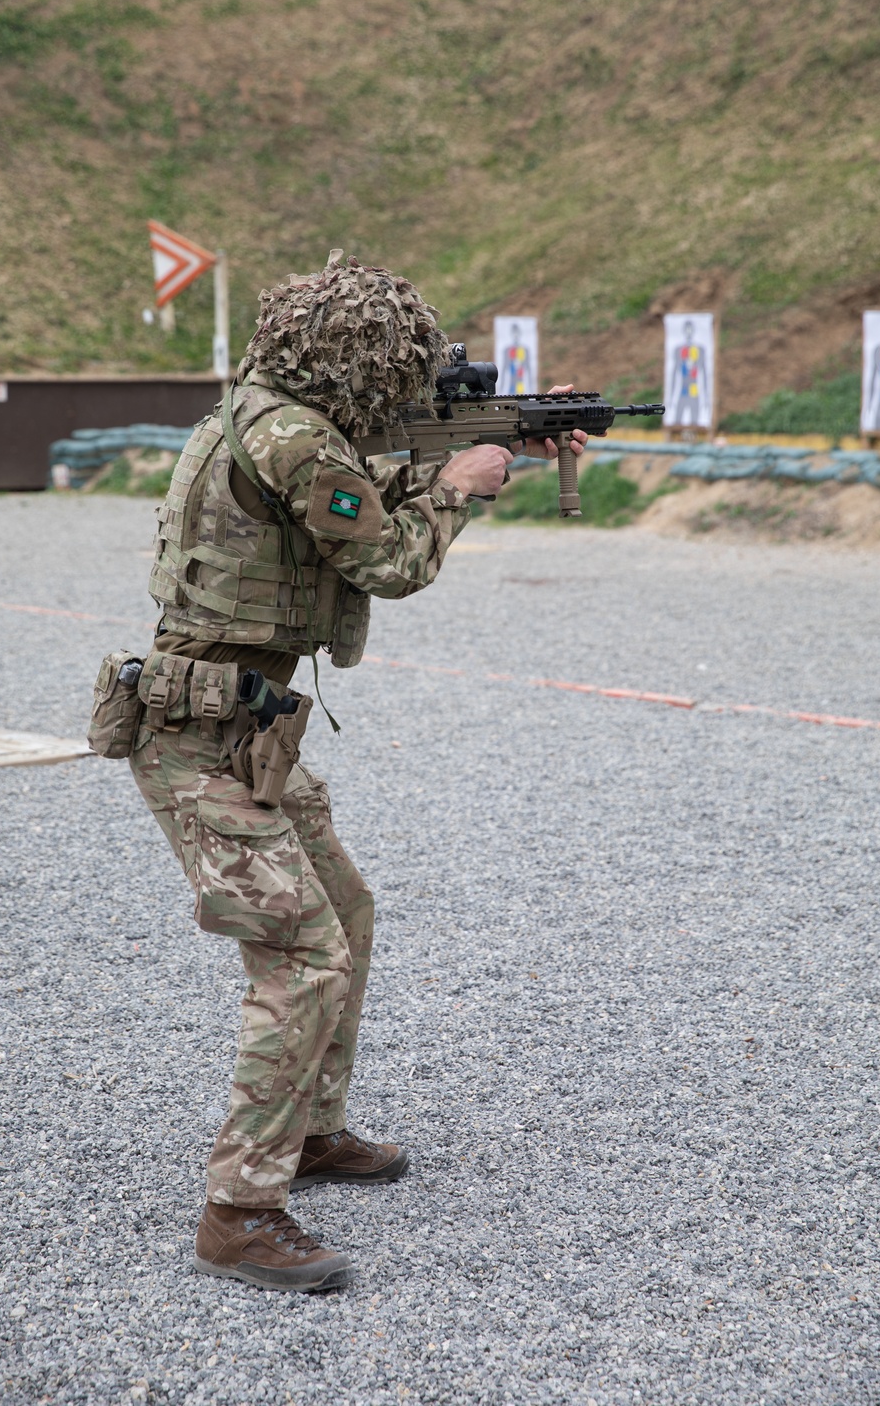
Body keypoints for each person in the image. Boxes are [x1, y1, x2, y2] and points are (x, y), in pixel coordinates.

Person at [130, 250, 586, 1293]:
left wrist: (489, 435)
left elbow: (367, 478)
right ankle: (239, 1211)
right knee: (302, 956)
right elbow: (389, 559)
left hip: (246, 722)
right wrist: (463, 489)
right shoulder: (296, 441)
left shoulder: (269, 410)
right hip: (198, 731)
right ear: (358, 360)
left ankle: (312, 1130)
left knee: (346, 907)